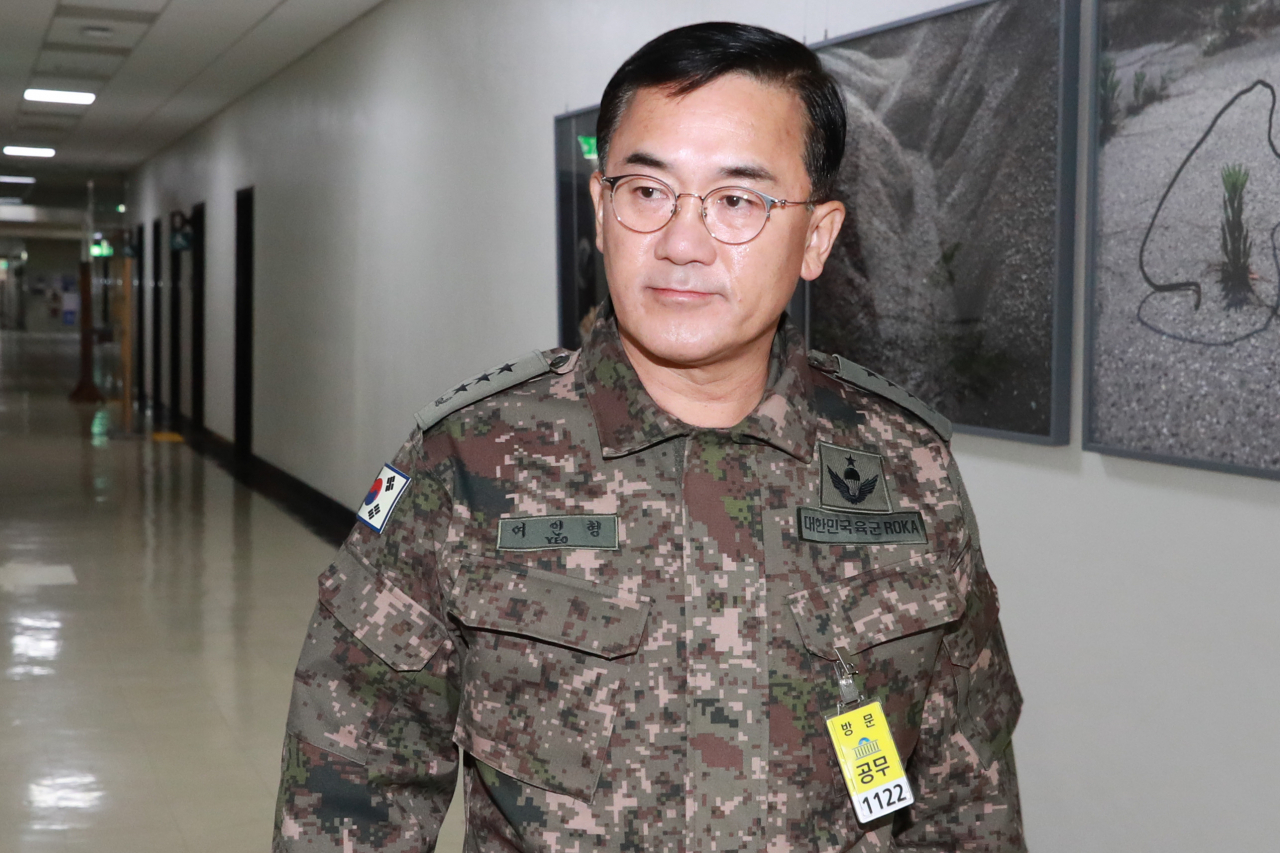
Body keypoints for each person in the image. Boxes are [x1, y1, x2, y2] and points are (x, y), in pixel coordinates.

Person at [274, 21, 1024, 853]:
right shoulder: (471, 463)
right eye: (646, 191)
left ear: (816, 237)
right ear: (602, 208)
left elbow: (967, 797)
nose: (680, 243)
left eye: (738, 200)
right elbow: (352, 787)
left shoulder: (905, 469)